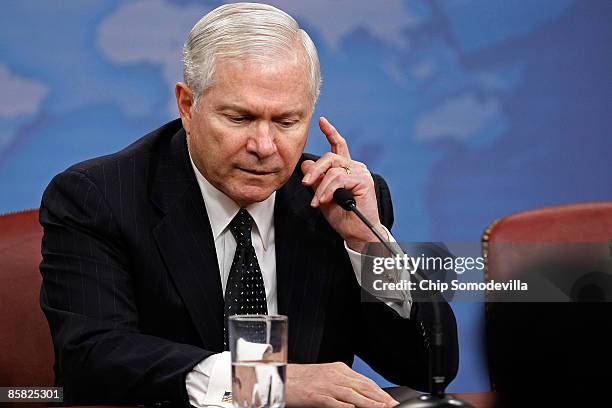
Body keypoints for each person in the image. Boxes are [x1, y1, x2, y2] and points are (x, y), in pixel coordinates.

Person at [39, 3, 458, 407]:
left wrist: (368, 247)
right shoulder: (98, 197)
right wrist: (265, 384)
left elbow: (430, 368)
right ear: (188, 105)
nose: (264, 147)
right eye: (239, 118)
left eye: (286, 122)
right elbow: (92, 358)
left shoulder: (338, 202)